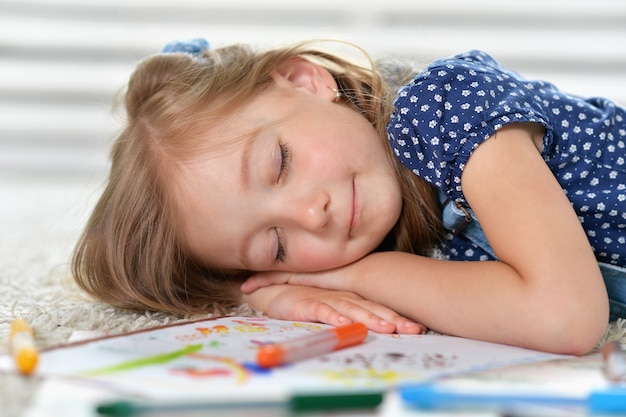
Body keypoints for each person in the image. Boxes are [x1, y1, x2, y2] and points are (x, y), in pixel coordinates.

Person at [72, 38, 626, 355]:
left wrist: (354, 276)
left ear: (306, 81)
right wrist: (270, 296)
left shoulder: (443, 110)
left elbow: (564, 318)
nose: (310, 215)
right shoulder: (395, 228)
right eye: (277, 247)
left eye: (280, 163)